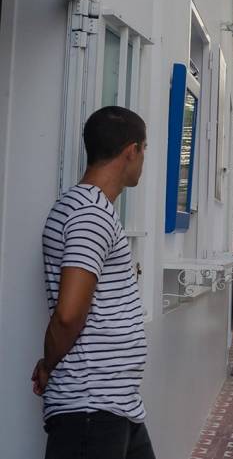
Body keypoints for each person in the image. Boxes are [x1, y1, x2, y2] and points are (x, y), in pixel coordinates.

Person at [35, 106, 155, 458]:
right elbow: (69, 314)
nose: (143, 159)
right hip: (91, 407)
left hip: (116, 404)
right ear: (131, 150)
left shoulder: (87, 208)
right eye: (144, 149)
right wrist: (48, 364)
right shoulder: (90, 214)